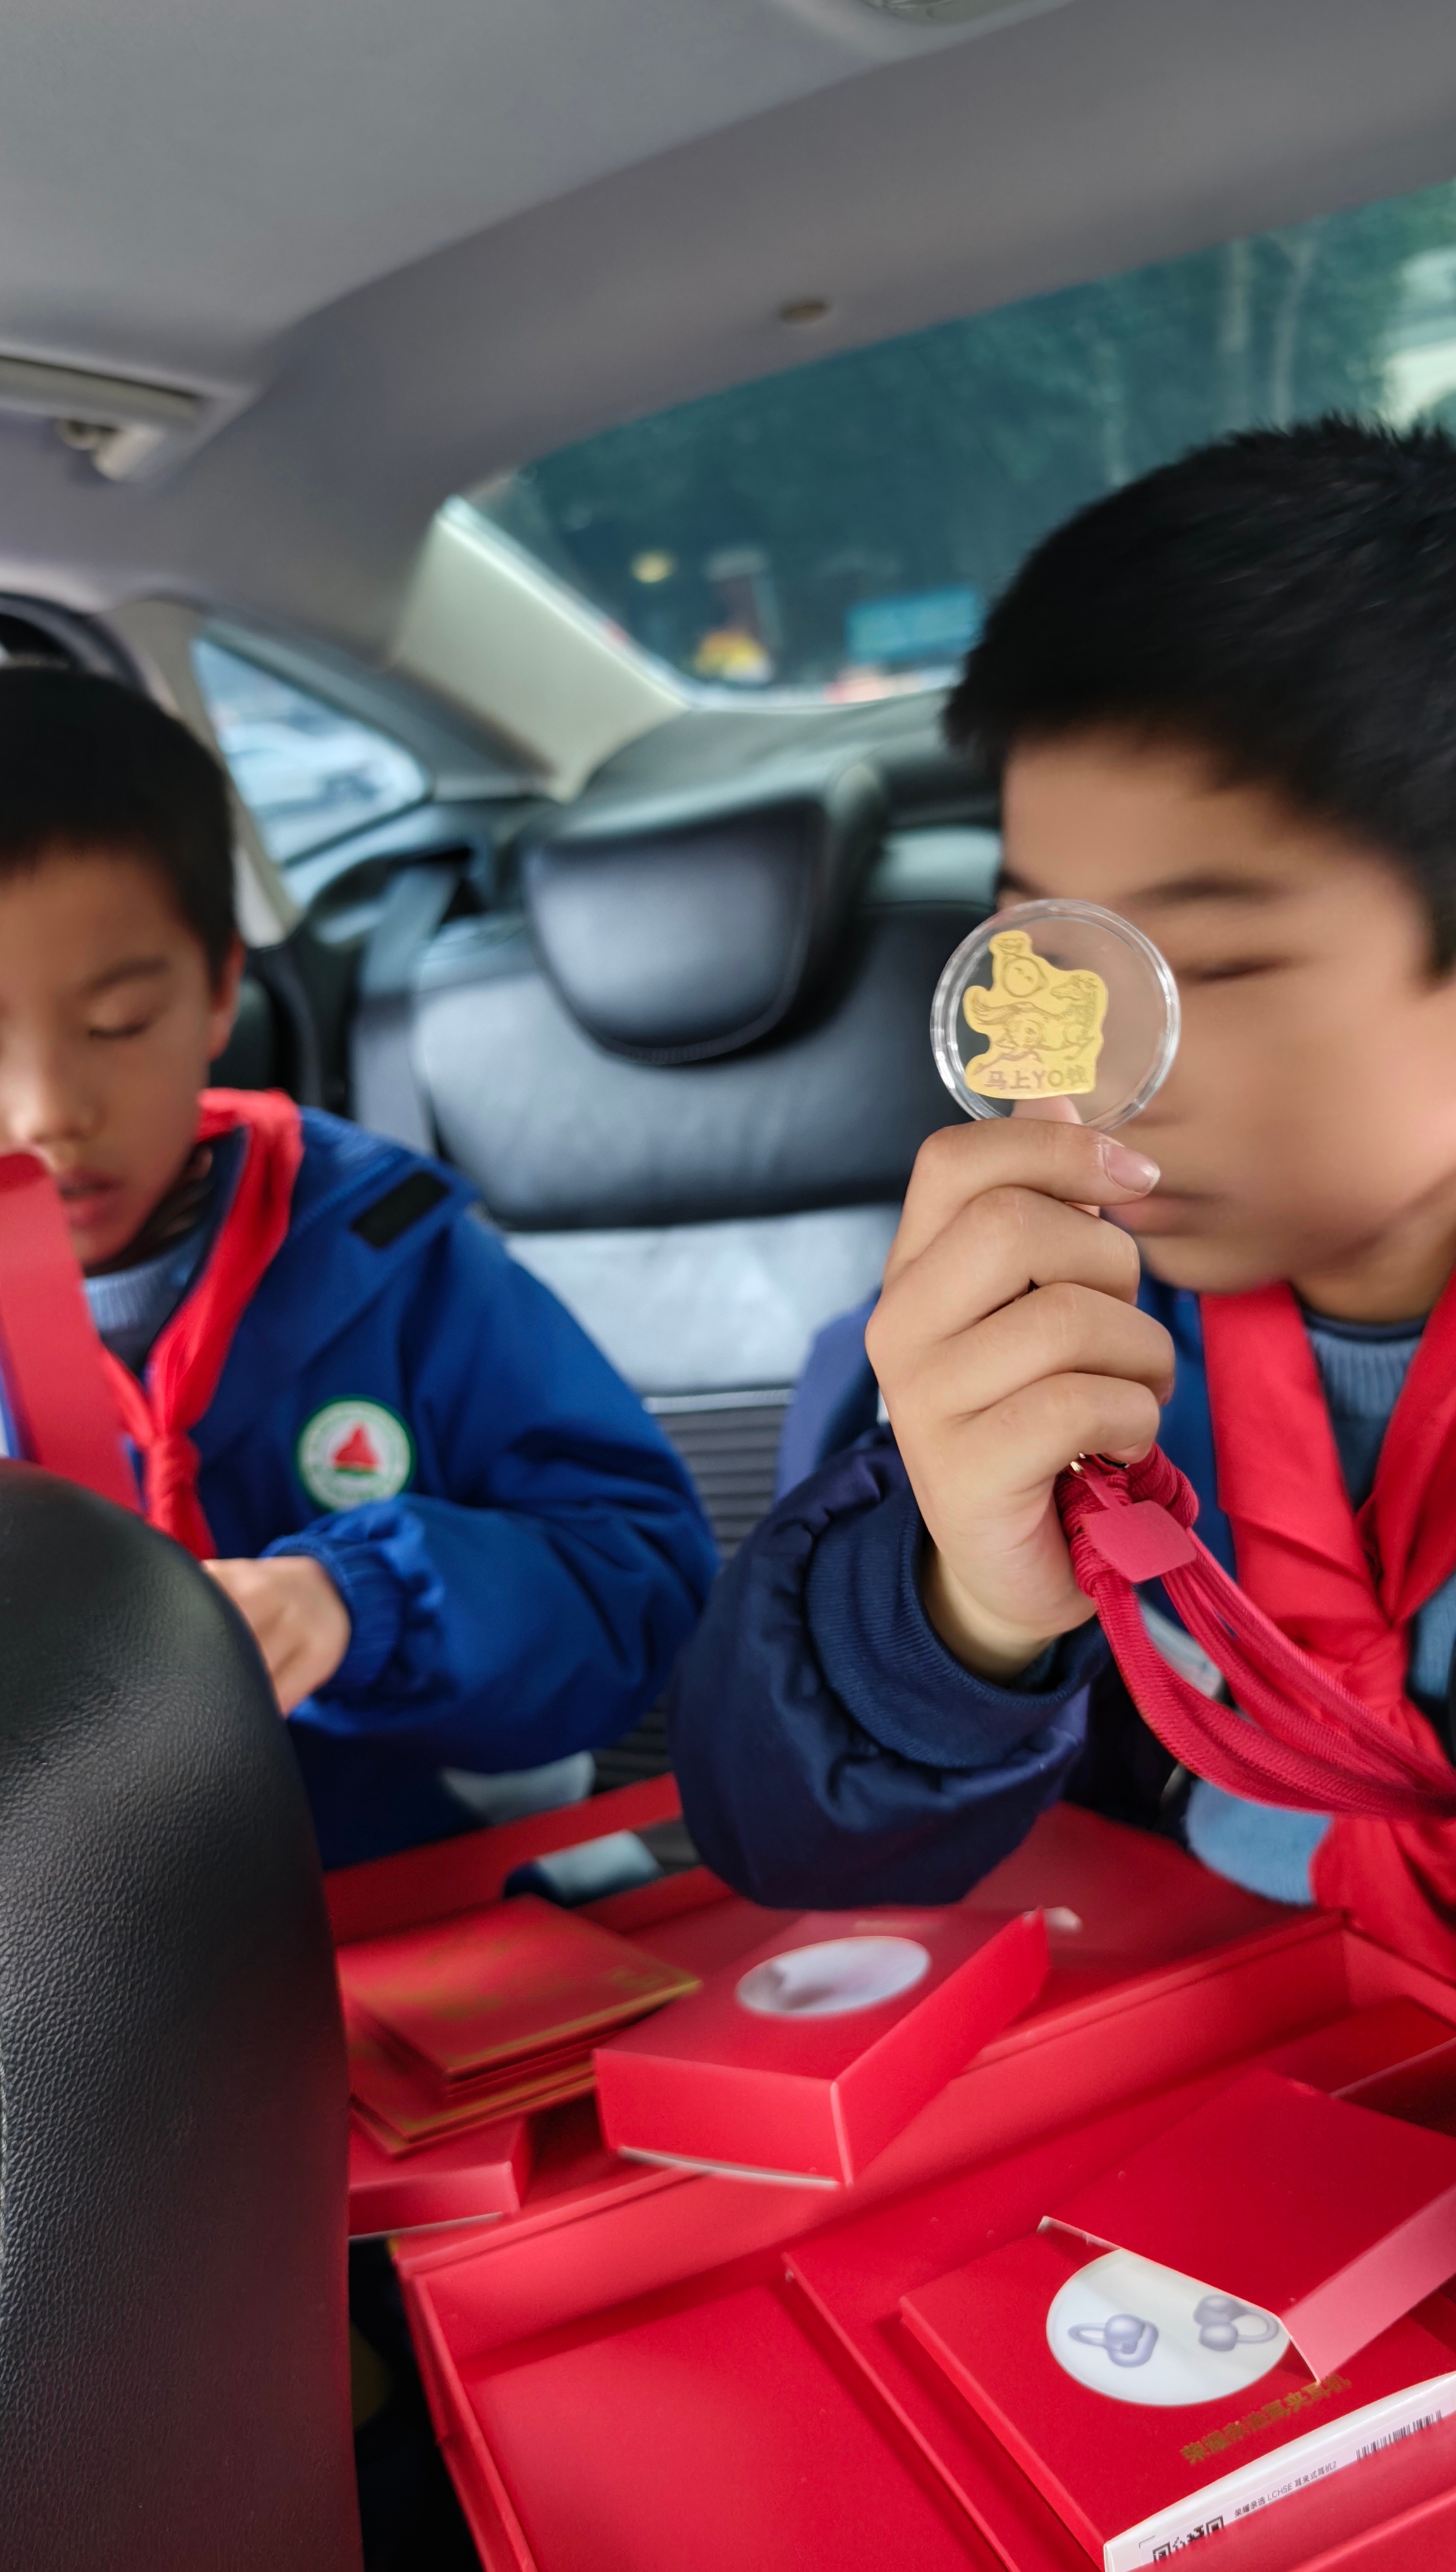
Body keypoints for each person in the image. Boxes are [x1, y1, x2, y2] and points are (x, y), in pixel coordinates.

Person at [670, 417, 1456, 1977]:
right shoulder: (1024, 1330)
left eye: (1216, 962)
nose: (1106, 1063)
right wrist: (962, 1603)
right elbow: (785, 1843)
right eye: (1055, 952)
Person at [0, 664, 717, 1869]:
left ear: (220, 991)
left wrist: (361, 1604)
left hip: (437, 1893)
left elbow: (640, 1587)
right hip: (87, 1942)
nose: (47, 1112)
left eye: (117, 1026)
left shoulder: (393, 1260)